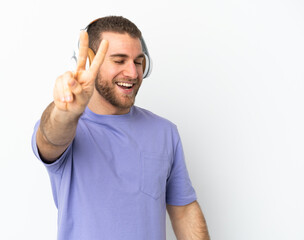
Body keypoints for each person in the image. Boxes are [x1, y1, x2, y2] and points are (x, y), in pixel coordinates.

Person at [31, 16, 210, 240]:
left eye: (137, 61)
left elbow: (183, 212)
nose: (133, 73)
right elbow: (50, 138)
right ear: (89, 62)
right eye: (119, 60)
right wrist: (65, 111)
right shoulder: (69, 128)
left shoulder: (165, 132)